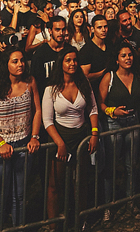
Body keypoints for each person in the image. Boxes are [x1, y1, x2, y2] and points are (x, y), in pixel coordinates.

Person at [0, 50, 41, 230]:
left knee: (20, 195)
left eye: (22, 61)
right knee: (0, 195)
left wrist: (35, 136)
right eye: (15, 61)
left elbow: (37, 110)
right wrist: (0, 143)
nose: (20, 64)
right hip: (0, 148)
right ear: (6, 64)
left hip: (23, 145)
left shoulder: (30, 82)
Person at [42, 47, 98, 221]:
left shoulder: (84, 83)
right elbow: (47, 120)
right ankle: (54, 225)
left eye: (74, 60)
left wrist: (94, 133)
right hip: (60, 137)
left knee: (81, 182)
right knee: (55, 185)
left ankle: (80, 220)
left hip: (81, 136)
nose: (72, 63)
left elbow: (93, 108)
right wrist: (59, 143)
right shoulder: (51, 89)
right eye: (68, 60)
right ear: (61, 63)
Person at [98, 42, 140, 220]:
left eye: (130, 55)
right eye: (124, 55)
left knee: (131, 165)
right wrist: (112, 111)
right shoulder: (109, 77)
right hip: (114, 124)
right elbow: (100, 103)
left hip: (133, 122)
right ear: (117, 59)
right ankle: (109, 205)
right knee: (111, 166)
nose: (128, 58)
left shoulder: (136, 75)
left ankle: (131, 200)